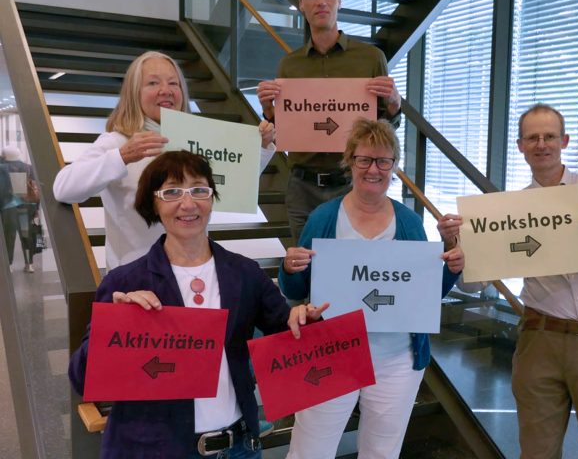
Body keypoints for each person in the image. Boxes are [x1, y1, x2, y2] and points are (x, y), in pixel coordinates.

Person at [69, 151, 327, 459]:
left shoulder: (244, 273)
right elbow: (82, 379)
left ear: (212, 197)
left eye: (199, 189)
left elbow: (286, 335)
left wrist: (304, 320)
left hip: (238, 447)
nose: (188, 203)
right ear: (154, 202)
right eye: (172, 191)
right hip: (156, 450)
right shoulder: (126, 282)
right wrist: (113, 325)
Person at [440, 103, 578, 458]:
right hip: (539, 339)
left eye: (550, 136)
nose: (542, 144)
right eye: (532, 138)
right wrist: (454, 246)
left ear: (564, 140)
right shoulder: (509, 210)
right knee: (536, 450)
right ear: (520, 146)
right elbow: (474, 285)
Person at [278, 119, 465, 459]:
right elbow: (297, 288)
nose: (373, 169)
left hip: (396, 358)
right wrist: (289, 267)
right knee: (310, 450)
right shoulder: (324, 217)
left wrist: (453, 268)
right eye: (364, 160)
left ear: (394, 166)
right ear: (349, 162)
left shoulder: (408, 222)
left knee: (381, 452)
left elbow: (422, 295)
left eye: (383, 161)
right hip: (331, 353)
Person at [53, 51, 276, 270]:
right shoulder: (116, 142)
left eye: (173, 83)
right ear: (134, 93)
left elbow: (231, 184)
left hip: (193, 273)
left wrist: (262, 147)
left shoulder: (195, 141)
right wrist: (122, 156)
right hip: (137, 280)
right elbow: (64, 188)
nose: (165, 91)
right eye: (152, 83)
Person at [257, 0, 402, 242]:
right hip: (302, 185)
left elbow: (385, 129)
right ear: (301, 4)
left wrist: (395, 103)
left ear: (339, 0)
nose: (320, 1)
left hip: (351, 184)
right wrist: (267, 111)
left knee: (353, 270)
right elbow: (284, 130)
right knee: (307, 271)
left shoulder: (370, 58)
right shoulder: (289, 65)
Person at [1, 146, 39, 273]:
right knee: (27, 235)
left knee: (9, 236)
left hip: (8, 208)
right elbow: (35, 188)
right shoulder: (28, 167)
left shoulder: (2, 167)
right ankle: (30, 264)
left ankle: (10, 265)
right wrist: (37, 209)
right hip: (27, 207)